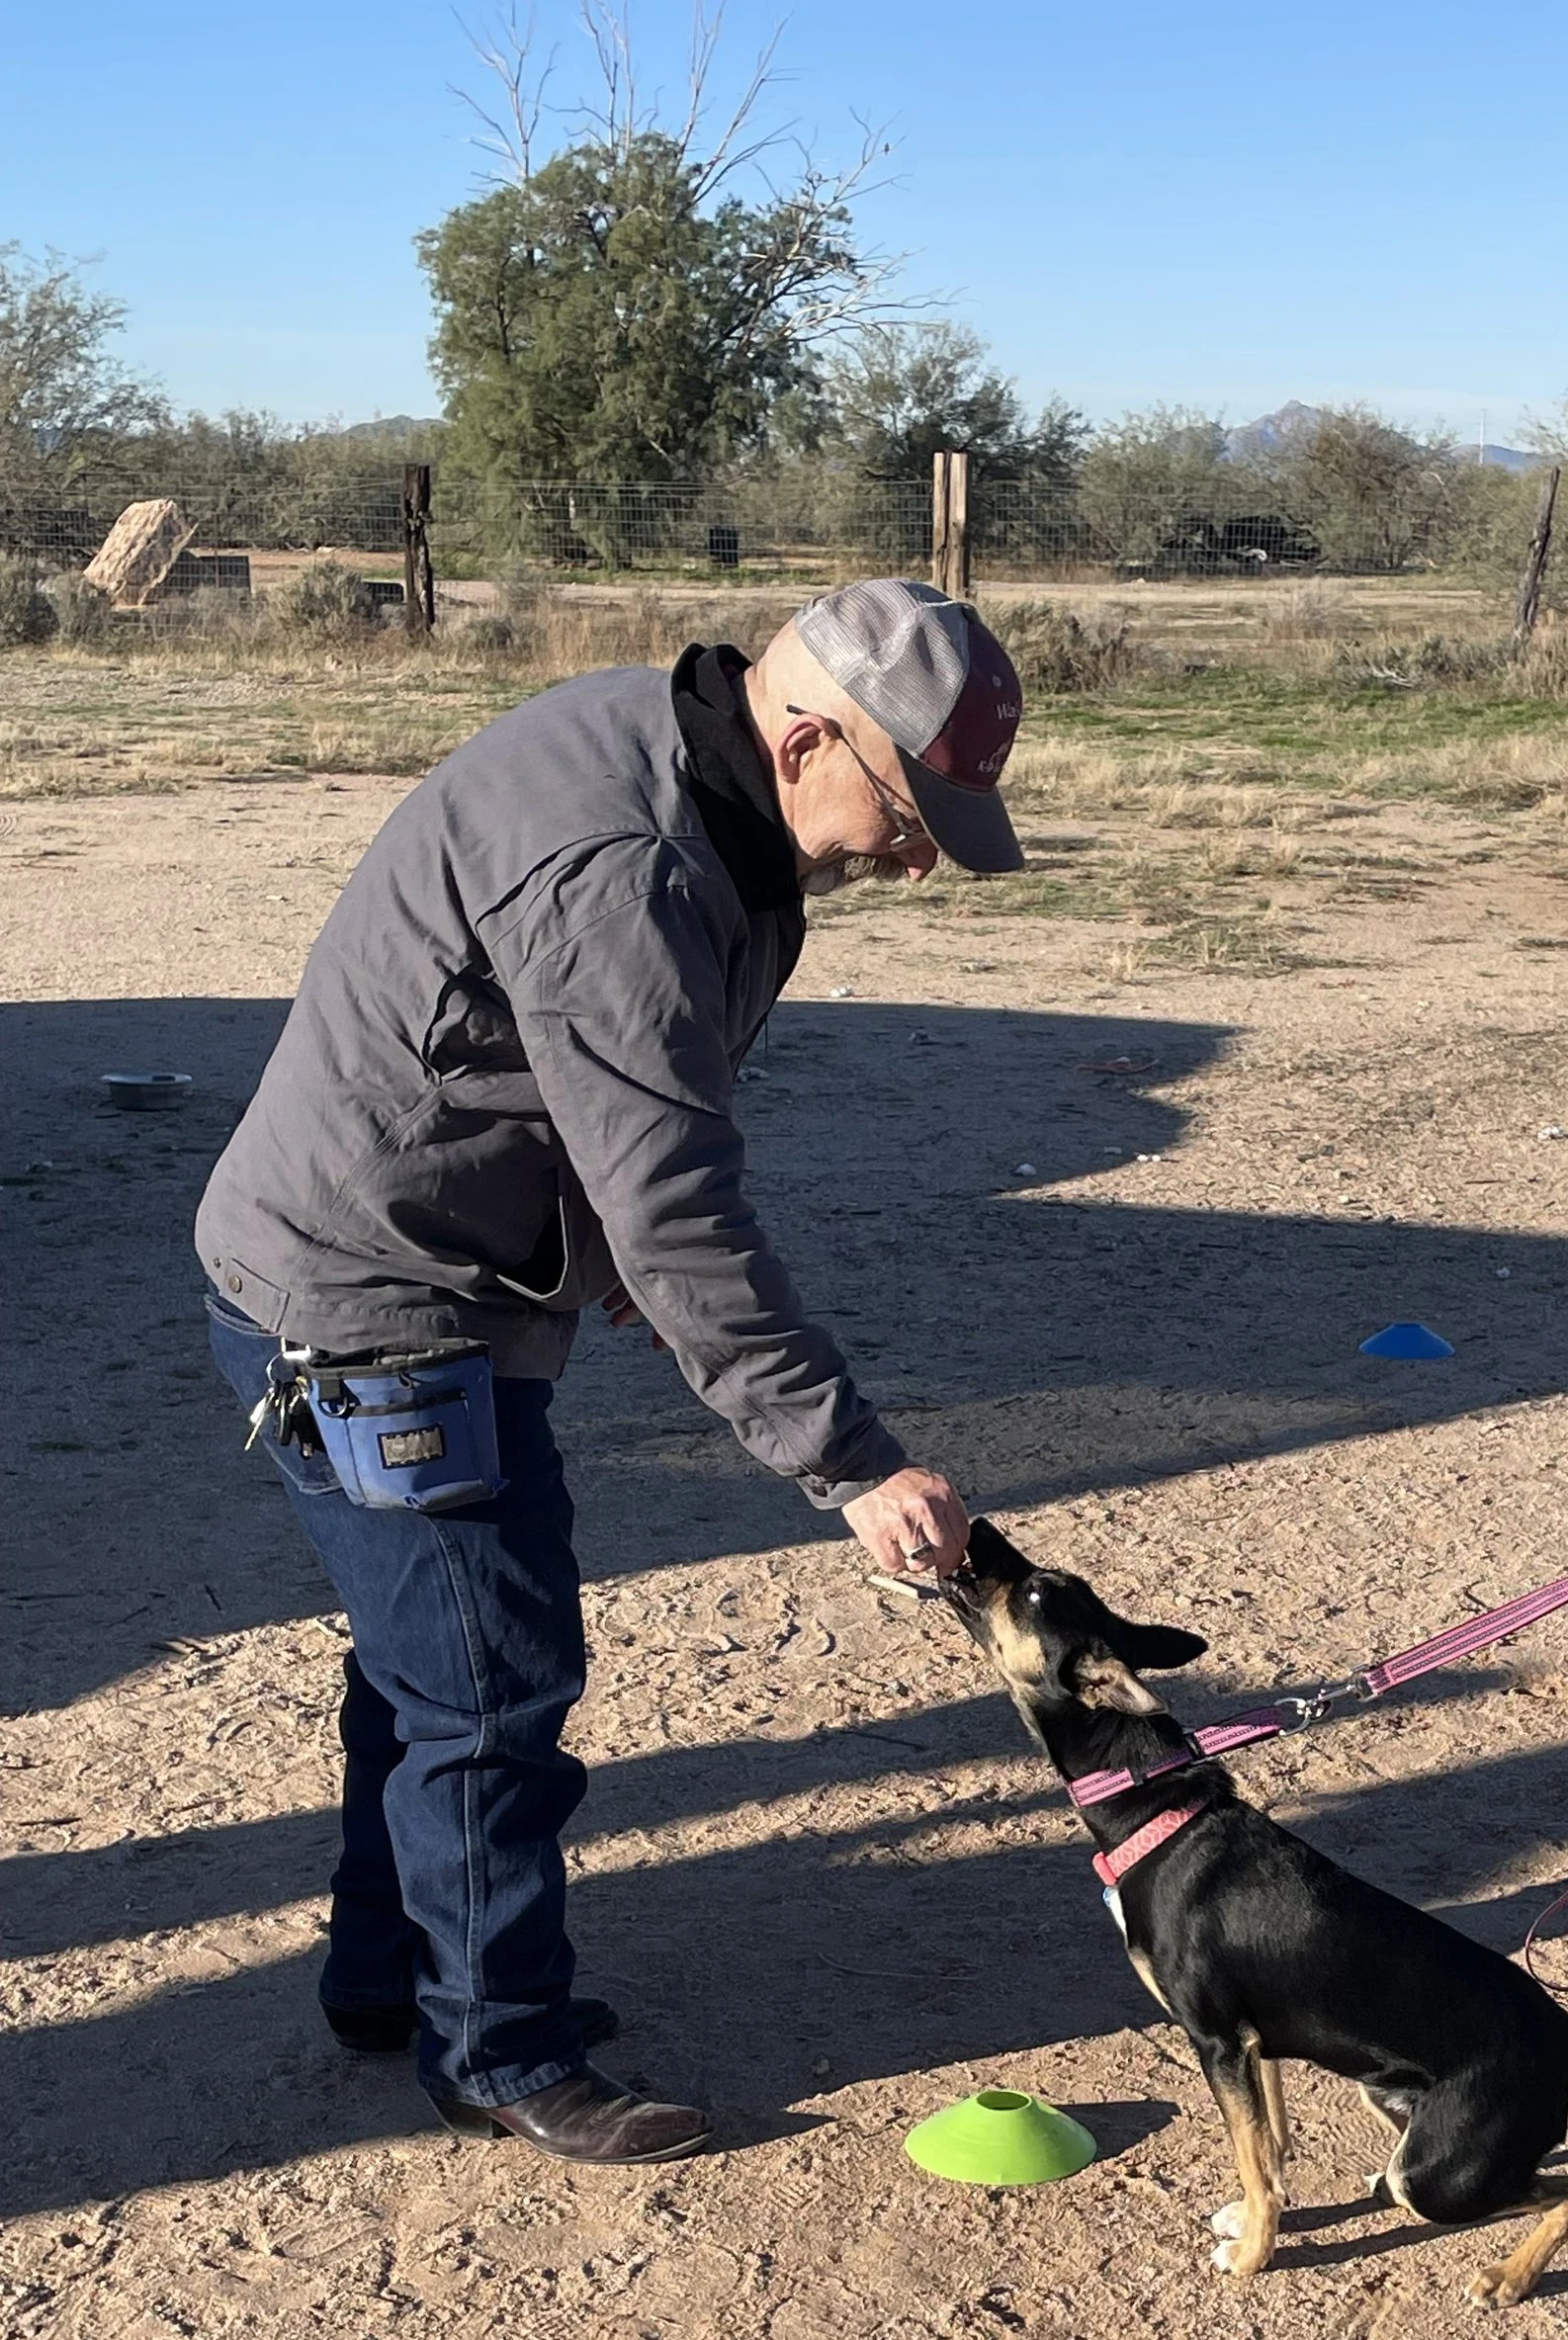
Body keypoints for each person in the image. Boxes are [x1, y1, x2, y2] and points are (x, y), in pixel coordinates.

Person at [196, 581, 1024, 2163]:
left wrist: (602, 1252)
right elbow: (676, 1197)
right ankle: (497, 2049)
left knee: (430, 1659)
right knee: (491, 1681)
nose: (912, 856)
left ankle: (392, 1978)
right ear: (803, 740)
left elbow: (579, 1086)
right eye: (908, 815)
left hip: (437, 1271)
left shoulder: (674, 765)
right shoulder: (625, 859)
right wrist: (849, 1464)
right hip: (375, 1301)